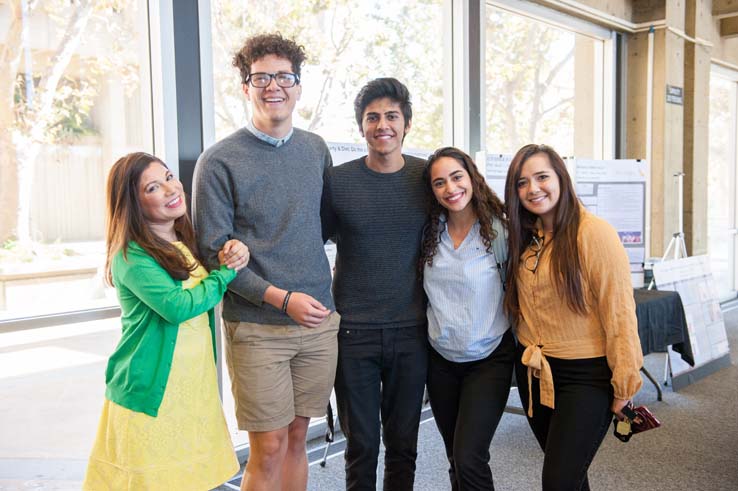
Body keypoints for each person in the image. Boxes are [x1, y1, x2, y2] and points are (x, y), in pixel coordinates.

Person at [192, 33, 339, 491]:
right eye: (261, 77)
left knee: (299, 437)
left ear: (298, 86)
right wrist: (283, 299)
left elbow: (325, 225)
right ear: (245, 87)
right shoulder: (218, 161)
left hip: (317, 321)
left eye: (284, 76)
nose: (273, 86)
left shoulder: (315, 149)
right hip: (257, 326)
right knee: (269, 445)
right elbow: (213, 252)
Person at [83, 152, 249, 490]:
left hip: (191, 387)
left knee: (190, 479)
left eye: (169, 177)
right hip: (152, 392)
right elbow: (177, 306)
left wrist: (229, 254)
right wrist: (225, 273)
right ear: (133, 203)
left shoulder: (183, 241)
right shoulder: (131, 257)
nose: (172, 189)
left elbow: (198, 282)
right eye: (153, 188)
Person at [503, 144, 643, 490]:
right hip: (534, 372)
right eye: (522, 182)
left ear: (561, 178)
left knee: (557, 480)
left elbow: (620, 311)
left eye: (541, 177)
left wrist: (625, 383)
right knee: (570, 477)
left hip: (586, 376)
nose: (533, 189)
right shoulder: (524, 236)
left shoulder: (593, 233)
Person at [321, 77, 428, 491]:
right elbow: (312, 242)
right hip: (353, 333)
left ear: (406, 125)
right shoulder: (338, 180)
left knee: (404, 443)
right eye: (372, 117)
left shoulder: (426, 178)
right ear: (361, 126)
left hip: (412, 330)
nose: (382, 125)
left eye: (391, 116)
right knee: (362, 444)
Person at [420, 147, 515, 491]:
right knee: (454, 458)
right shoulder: (430, 233)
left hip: (489, 359)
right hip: (442, 360)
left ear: (471, 177)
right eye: (439, 183)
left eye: (457, 177)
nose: (450, 188)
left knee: (469, 457)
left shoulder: (500, 232)